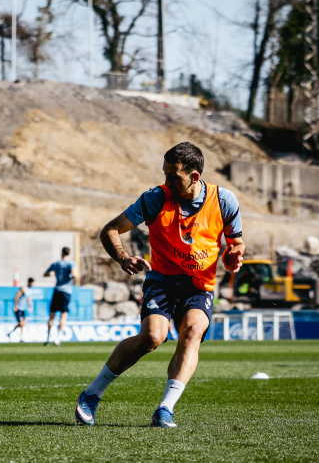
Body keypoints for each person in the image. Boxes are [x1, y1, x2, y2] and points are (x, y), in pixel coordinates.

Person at [74, 142, 245, 428]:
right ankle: (91, 395)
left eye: (173, 176)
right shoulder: (156, 198)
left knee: (191, 332)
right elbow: (110, 229)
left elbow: (236, 245)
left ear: (195, 177)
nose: (166, 181)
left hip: (199, 287)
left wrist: (233, 256)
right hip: (162, 281)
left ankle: (165, 409)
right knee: (153, 337)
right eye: (164, 173)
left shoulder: (224, 200)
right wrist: (123, 257)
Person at [43, 247, 77, 346]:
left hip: (57, 290)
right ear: (69, 253)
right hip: (66, 291)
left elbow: (45, 274)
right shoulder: (71, 264)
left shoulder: (56, 264)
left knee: (52, 316)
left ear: (61, 253)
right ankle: (58, 337)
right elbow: (75, 275)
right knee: (63, 315)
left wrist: (53, 273)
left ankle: (48, 337)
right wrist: (70, 276)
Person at [8, 277, 34, 342]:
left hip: (23, 309)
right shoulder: (23, 288)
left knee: (23, 323)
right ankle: (19, 336)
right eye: (32, 283)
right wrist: (15, 306)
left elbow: (29, 299)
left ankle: (14, 334)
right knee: (22, 323)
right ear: (29, 282)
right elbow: (17, 296)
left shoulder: (30, 290)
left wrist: (31, 306)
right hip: (19, 308)